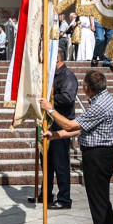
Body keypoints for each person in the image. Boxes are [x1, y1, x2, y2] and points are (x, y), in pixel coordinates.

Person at [42, 69, 113, 224]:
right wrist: (54, 135)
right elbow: (80, 129)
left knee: (99, 203)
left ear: (87, 87)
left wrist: (50, 109)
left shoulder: (101, 105)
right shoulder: (104, 99)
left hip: (98, 156)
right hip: (100, 154)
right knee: (101, 202)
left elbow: (71, 126)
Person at [36, 50, 77, 209]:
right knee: (46, 161)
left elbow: (68, 98)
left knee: (60, 162)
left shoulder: (67, 75)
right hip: (47, 122)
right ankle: (45, 193)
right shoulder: (51, 75)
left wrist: (50, 100)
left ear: (57, 58)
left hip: (61, 123)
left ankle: (64, 198)